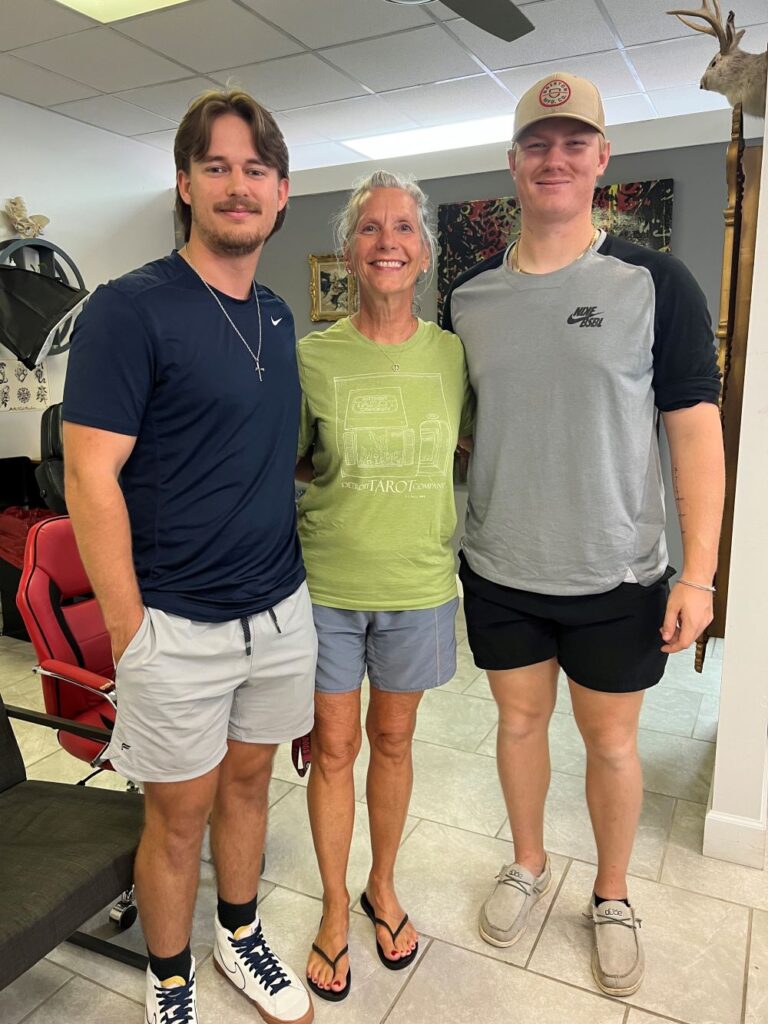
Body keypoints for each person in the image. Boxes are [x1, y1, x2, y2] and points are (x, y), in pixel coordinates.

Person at [444, 73, 724, 998]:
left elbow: (694, 432)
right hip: (500, 567)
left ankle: (610, 895)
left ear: (603, 160)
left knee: (611, 747)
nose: (554, 158)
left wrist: (700, 577)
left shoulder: (656, 283)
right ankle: (527, 863)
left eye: (574, 143)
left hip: (617, 573)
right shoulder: (470, 299)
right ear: (513, 164)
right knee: (519, 725)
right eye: (536, 143)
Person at [62, 90, 316, 1024]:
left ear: (282, 193)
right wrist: (132, 633)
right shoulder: (129, 311)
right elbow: (90, 481)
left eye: (256, 170)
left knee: (250, 785)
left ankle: (240, 935)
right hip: (177, 623)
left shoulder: (282, 317)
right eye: (217, 167)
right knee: (177, 816)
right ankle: (170, 978)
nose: (238, 186)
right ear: (185, 184)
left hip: (279, 613)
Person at [296, 171, 473, 1000]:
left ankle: (383, 886)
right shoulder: (312, 357)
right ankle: (335, 907)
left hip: (419, 583)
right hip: (328, 583)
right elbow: (291, 464)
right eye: (371, 228)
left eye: (404, 227)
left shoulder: (454, 354)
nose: (389, 241)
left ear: (426, 251)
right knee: (334, 748)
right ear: (349, 250)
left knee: (394, 742)